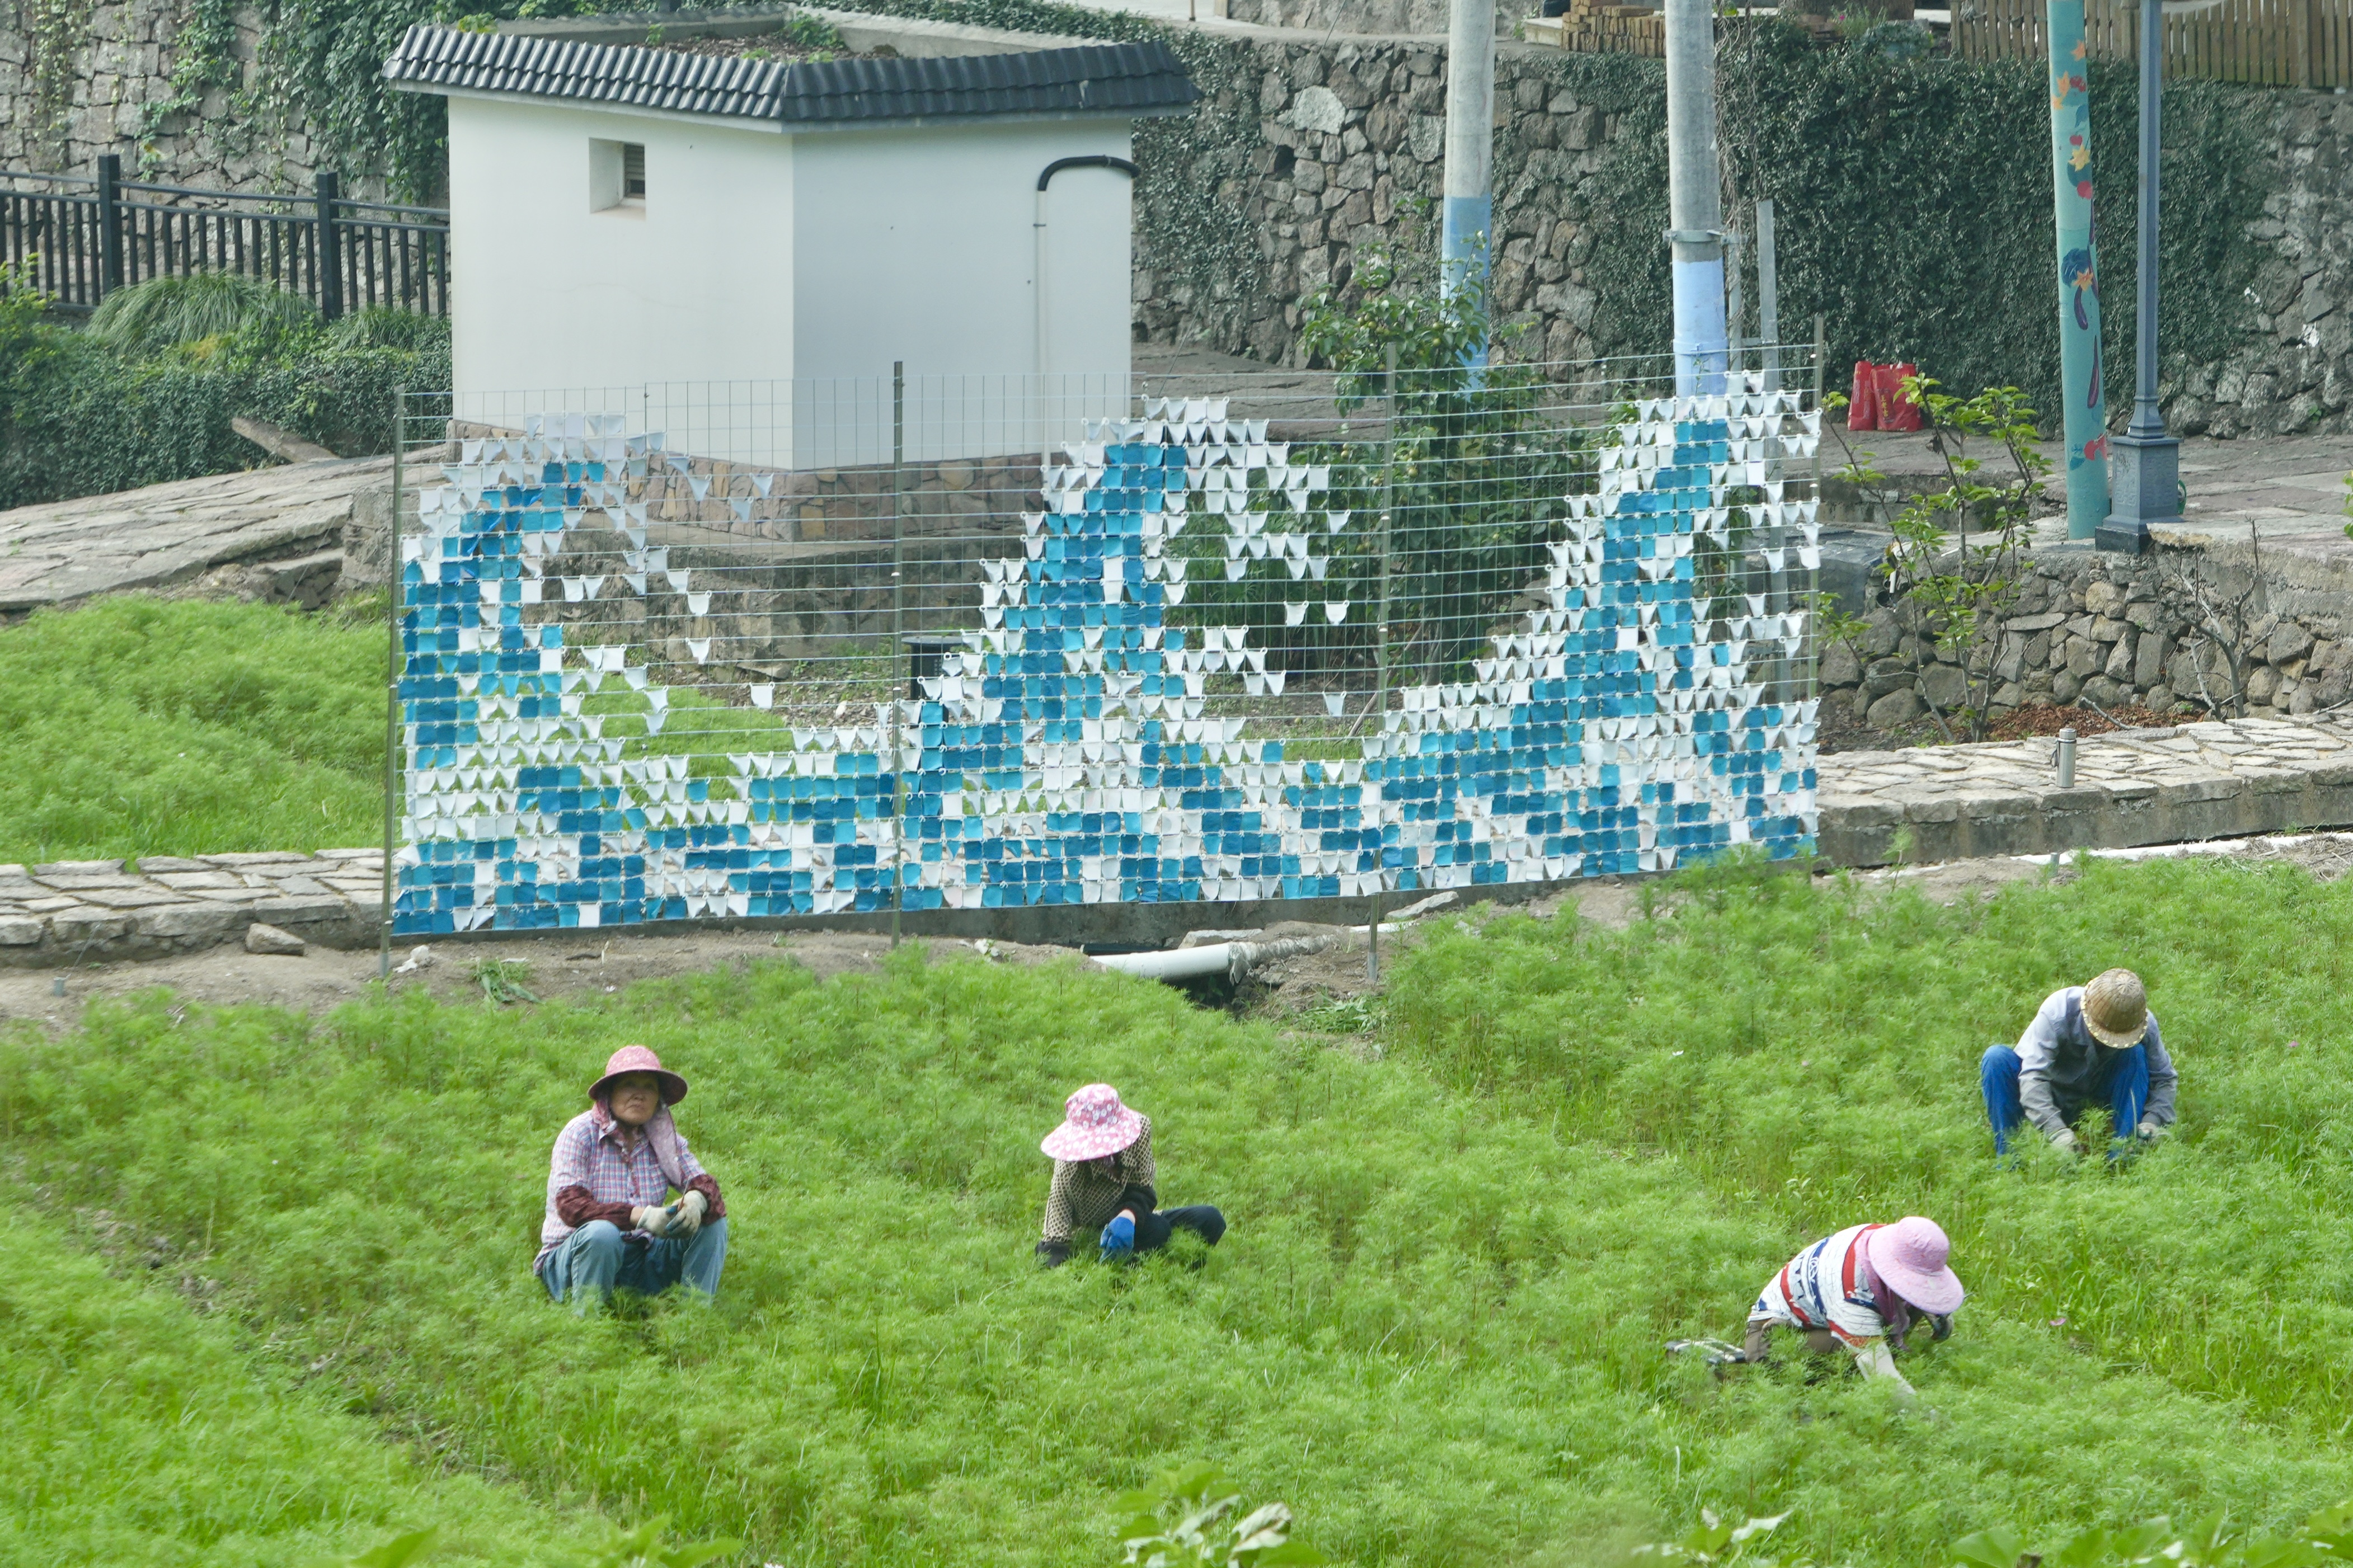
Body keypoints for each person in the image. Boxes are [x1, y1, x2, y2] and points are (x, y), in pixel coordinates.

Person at [536, 1045, 728, 1311]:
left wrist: (696, 1200)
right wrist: (643, 1217)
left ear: (658, 1098)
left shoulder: (662, 1139)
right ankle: (587, 1321)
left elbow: (704, 1184)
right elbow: (572, 1207)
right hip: (576, 1259)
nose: (639, 1095)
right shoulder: (580, 1134)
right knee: (602, 1234)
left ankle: (693, 1317)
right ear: (609, 1093)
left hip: (641, 1257)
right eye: (629, 1085)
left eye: (649, 1087)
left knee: (712, 1222)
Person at [1737, 1216, 1965, 1400]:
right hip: (1774, 1337)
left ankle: (1879, 1342)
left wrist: (1936, 1312)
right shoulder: (1853, 1293)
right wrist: (1930, 1418)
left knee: (1891, 1333)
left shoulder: (1888, 1239)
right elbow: (1883, 1378)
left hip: (1826, 1311)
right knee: (1853, 1362)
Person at [1983, 968, 2177, 1157]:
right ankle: (2010, 1160)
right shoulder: (2058, 1011)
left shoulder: (2143, 1024)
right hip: (2051, 1090)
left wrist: (2153, 1120)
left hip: (2097, 1093)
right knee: (1996, 1059)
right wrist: (2056, 1132)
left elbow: (2165, 1078)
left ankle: (2124, 1153)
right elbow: (2033, 1078)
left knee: (2135, 1053)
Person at [1035, 1083, 1225, 1267]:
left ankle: (1185, 1271)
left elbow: (1143, 1185)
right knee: (1158, 1230)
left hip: (1133, 1215)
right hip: (1095, 1229)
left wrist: (1127, 1217)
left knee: (1210, 1218)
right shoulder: (1069, 1164)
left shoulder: (1140, 1130)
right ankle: (1119, 1269)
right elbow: (1057, 1214)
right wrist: (1054, 1254)